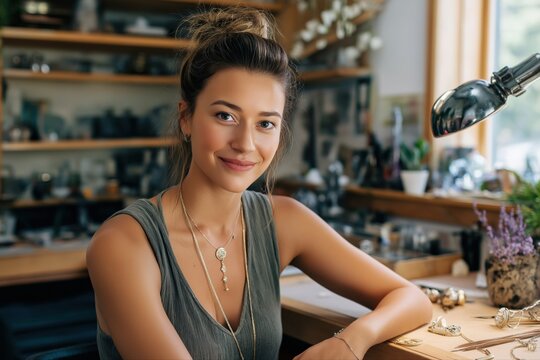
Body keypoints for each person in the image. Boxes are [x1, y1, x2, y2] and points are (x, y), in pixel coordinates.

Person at [86, 7, 432, 360]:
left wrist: (351, 340)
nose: (245, 143)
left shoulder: (283, 221)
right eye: (226, 116)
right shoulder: (124, 244)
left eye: (265, 123)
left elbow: (413, 299)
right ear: (186, 118)